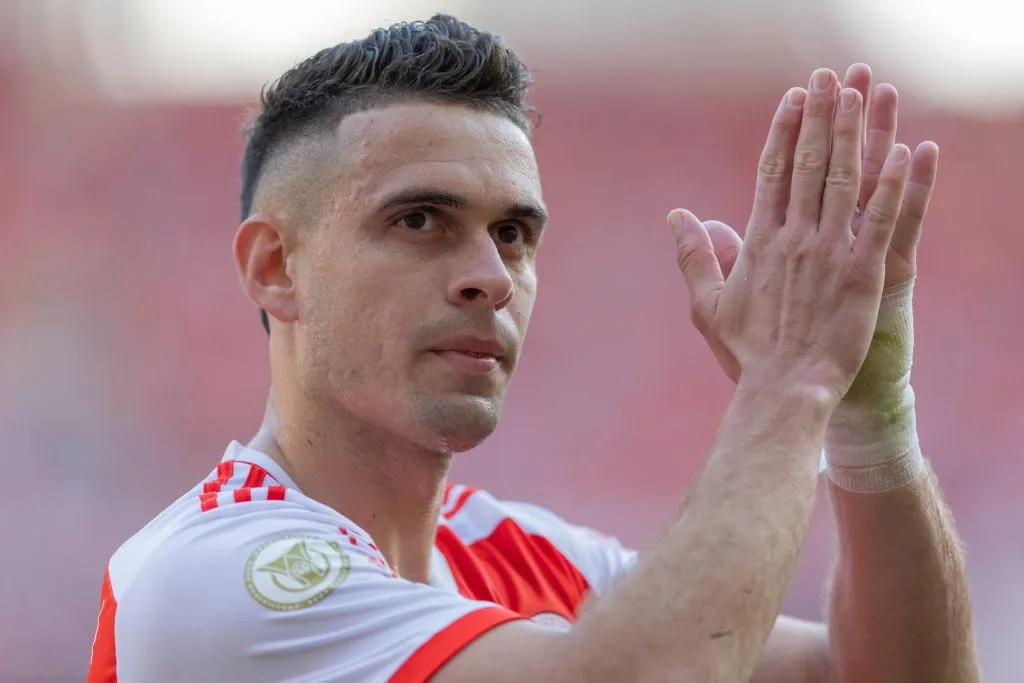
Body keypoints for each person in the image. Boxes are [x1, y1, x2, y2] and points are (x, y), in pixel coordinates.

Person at [87, 14, 980, 683]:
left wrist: (871, 419)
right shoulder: (212, 575)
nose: (490, 276)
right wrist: (790, 383)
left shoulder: (532, 558)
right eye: (419, 219)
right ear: (276, 267)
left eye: (513, 233)